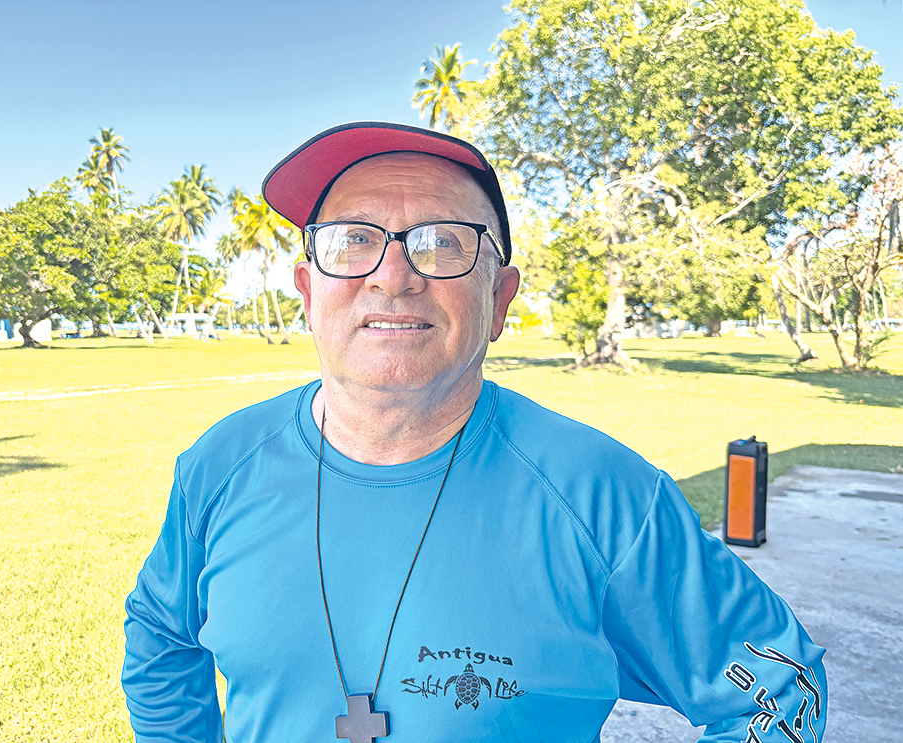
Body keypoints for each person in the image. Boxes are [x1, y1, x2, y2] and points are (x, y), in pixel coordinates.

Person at [122, 122, 826, 743]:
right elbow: (160, 631)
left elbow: (783, 691)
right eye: (353, 240)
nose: (393, 276)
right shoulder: (219, 465)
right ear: (309, 292)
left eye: (442, 242)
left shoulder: (604, 496)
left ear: (499, 299)